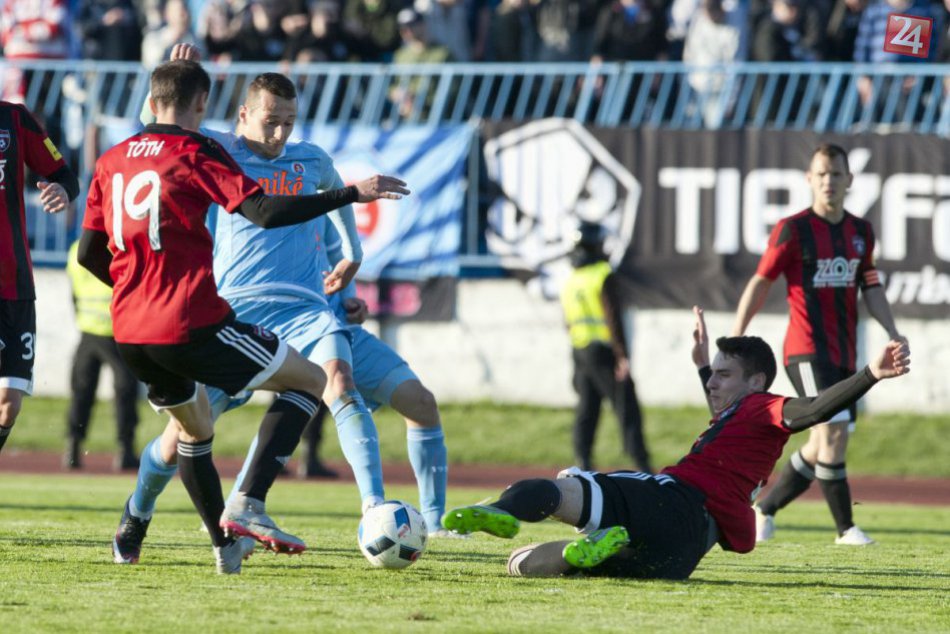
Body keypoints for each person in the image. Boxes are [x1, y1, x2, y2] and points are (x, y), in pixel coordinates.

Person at [78, 55, 408, 573]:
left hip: (131, 327)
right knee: (308, 382)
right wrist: (353, 192)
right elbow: (264, 212)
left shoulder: (115, 157)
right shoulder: (205, 149)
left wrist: (137, 289)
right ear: (214, 108)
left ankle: (141, 524)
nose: (278, 132)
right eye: (269, 119)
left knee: (189, 434)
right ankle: (248, 504)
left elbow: (88, 254)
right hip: (195, 321)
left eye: (287, 122)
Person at [441, 307, 911, 579]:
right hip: (682, 555)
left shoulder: (766, 406)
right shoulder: (740, 420)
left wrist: (871, 373)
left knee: (565, 486)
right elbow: (726, 410)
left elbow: (812, 411)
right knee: (519, 565)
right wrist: (703, 363)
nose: (712, 383)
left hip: (673, 500)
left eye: (724, 376)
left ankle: (504, 509)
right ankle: (576, 550)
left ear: (758, 382)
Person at [731, 143, 906, 546]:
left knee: (821, 441)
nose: (829, 181)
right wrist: (739, 333)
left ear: (849, 179)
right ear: (810, 179)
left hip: (846, 352)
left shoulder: (861, 232)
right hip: (806, 349)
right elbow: (762, 280)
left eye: (836, 174)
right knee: (832, 432)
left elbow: (871, 285)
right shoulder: (793, 229)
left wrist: (893, 331)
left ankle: (766, 508)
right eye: (822, 174)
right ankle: (846, 528)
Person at [291, 217, 450, 534]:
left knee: (421, 403)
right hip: (294, 326)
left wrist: (350, 301)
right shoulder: (264, 200)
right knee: (195, 420)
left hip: (341, 328)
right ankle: (240, 504)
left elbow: (341, 265)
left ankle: (432, 522)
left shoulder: (328, 202)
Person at [0, 101, 80, 458]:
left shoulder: (15, 119)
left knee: (8, 404)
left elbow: (65, 175)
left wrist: (63, 191)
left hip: (14, 283)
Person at [559, 222, 651, 474]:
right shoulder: (602, 274)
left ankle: (583, 462)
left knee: (587, 408)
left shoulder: (571, 280)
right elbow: (613, 318)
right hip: (603, 351)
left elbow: (567, 322)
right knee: (626, 404)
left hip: (580, 352)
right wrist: (622, 356)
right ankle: (642, 464)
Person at [64, 240, 141, 471]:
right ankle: (124, 451)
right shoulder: (124, 248)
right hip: (117, 334)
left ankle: (73, 449)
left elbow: (74, 295)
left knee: (82, 393)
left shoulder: (76, 248)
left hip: (90, 331)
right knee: (124, 393)